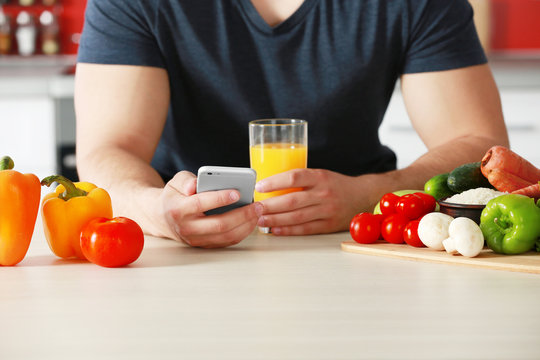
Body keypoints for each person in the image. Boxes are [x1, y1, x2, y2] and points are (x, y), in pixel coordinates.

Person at [74, 0, 509, 248]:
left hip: (361, 238)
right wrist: (156, 212)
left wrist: (369, 194)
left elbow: (481, 144)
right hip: (180, 247)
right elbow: (108, 148)